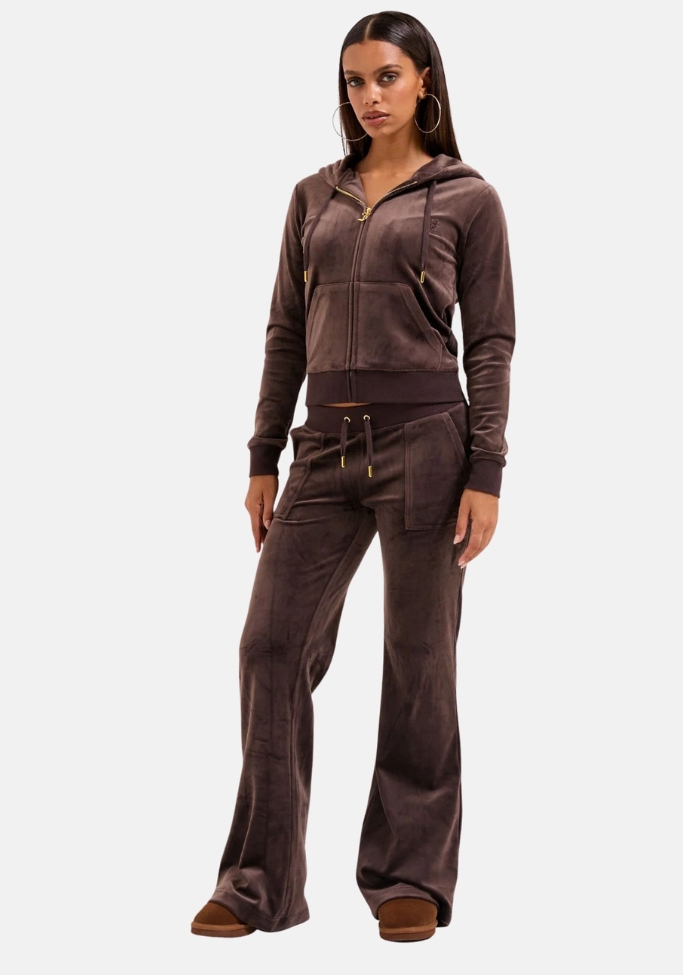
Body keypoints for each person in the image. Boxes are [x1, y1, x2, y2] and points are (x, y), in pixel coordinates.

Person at [191, 11, 516, 943]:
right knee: (269, 647)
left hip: (429, 443)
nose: (368, 96)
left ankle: (409, 872)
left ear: (425, 83)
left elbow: (491, 341)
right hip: (323, 449)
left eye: (386, 77)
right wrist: (263, 452)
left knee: (420, 661)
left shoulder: (469, 198)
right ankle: (259, 880)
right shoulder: (312, 197)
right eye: (354, 81)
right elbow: (285, 331)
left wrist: (486, 468)